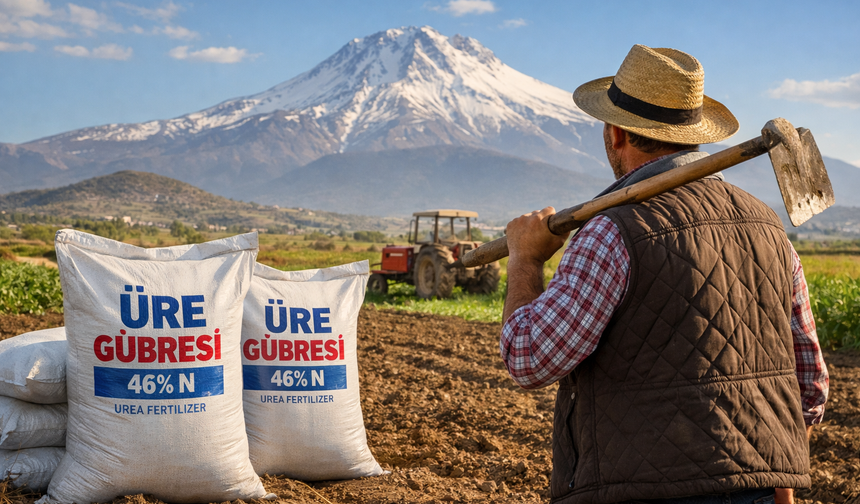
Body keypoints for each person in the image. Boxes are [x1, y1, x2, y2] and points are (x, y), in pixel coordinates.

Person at [500, 44, 829, 504]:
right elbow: (809, 386)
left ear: (616, 132)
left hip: (639, 488)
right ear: (694, 133)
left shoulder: (612, 231)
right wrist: (778, 476)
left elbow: (530, 357)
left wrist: (525, 260)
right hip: (758, 490)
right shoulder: (770, 228)